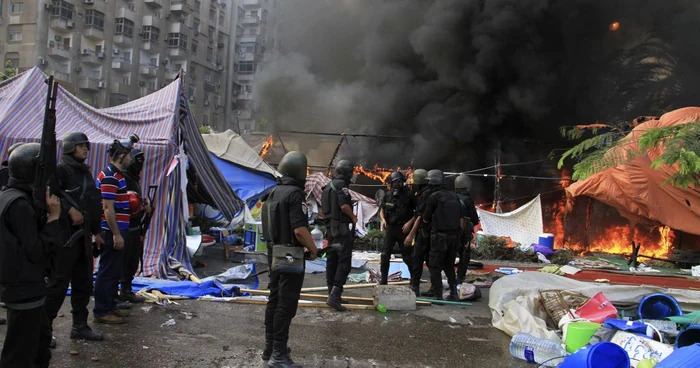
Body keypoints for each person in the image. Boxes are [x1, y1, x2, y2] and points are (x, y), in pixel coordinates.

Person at [0, 143, 67, 368]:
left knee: (39, 345)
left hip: (26, 286)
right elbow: (36, 251)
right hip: (23, 288)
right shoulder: (19, 204)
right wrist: (54, 218)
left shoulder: (10, 195)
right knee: (19, 353)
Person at [45, 132, 104, 345]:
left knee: (83, 284)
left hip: (83, 237)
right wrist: (69, 210)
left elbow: (93, 203)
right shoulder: (61, 170)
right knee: (58, 285)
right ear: (70, 148)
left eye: (86, 146)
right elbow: (50, 195)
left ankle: (79, 326)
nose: (85, 149)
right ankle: (44, 330)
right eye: (80, 146)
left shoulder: (85, 173)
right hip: (65, 236)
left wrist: (97, 232)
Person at [260, 151, 317, 368]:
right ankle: (279, 356)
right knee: (286, 305)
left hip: (273, 255)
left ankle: (271, 349)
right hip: (290, 258)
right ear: (300, 172)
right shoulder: (295, 194)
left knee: (274, 301)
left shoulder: (273, 192)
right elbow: (300, 230)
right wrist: (313, 250)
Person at [93, 136, 135, 324]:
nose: (131, 159)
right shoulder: (110, 176)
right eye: (129, 155)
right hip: (111, 231)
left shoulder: (117, 175)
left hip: (118, 229)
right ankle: (102, 311)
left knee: (114, 270)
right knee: (108, 271)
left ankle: (110, 306)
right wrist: (116, 234)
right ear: (121, 156)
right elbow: (107, 208)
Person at [421, 169, 463, 301]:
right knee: (449, 265)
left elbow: (426, 218)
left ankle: (438, 294)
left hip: (439, 237)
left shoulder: (434, 197)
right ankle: (453, 293)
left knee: (434, 265)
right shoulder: (454, 196)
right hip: (454, 237)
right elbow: (461, 218)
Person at [321, 159, 356, 311]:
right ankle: (335, 296)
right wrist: (354, 218)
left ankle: (332, 294)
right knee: (344, 262)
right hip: (340, 229)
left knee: (332, 260)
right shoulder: (342, 186)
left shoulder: (328, 185)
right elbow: (344, 206)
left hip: (330, 229)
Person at [119, 148, 149, 304]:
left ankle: (126, 290)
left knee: (132, 260)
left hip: (136, 227)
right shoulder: (123, 179)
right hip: (126, 227)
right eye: (137, 160)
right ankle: (117, 294)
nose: (140, 164)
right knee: (123, 261)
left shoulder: (134, 179)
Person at [378, 171, 415, 285]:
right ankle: (384, 280)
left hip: (403, 230)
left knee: (407, 257)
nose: (396, 184)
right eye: (394, 182)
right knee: (385, 255)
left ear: (403, 182)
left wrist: (409, 223)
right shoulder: (387, 195)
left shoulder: (409, 196)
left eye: (399, 181)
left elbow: (418, 213)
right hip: (390, 229)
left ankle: (414, 281)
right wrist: (383, 220)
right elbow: (382, 209)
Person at [404, 169, 433, 296]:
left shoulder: (425, 195)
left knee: (417, 259)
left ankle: (414, 287)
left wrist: (411, 234)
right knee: (430, 260)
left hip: (424, 232)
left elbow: (420, 216)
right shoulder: (430, 193)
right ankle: (435, 288)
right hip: (432, 232)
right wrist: (410, 223)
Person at [454, 174, 480, 283]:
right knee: (464, 255)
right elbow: (474, 219)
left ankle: (449, 276)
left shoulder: (451, 197)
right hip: (463, 233)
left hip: (450, 231)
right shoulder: (468, 200)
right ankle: (460, 277)